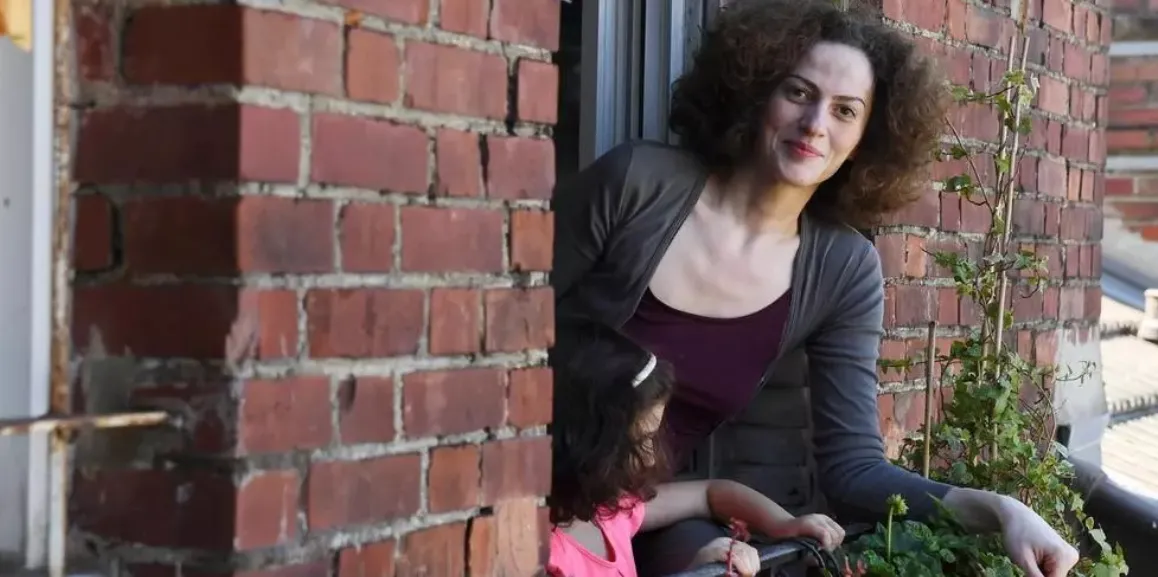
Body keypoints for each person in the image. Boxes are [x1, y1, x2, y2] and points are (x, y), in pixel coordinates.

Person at [549, 0, 1081, 576]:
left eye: (845, 110)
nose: (815, 124)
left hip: (640, 511)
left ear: (868, 137)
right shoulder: (638, 184)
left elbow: (855, 468)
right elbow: (510, 321)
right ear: (757, 92)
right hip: (529, 474)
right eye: (799, 93)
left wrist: (1001, 510)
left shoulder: (841, 270)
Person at [547, 318, 846, 577]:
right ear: (584, 444)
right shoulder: (546, 555)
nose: (650, 458)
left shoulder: (609, 513)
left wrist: (783, 524)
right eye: (638, 443)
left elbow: (709, 494)